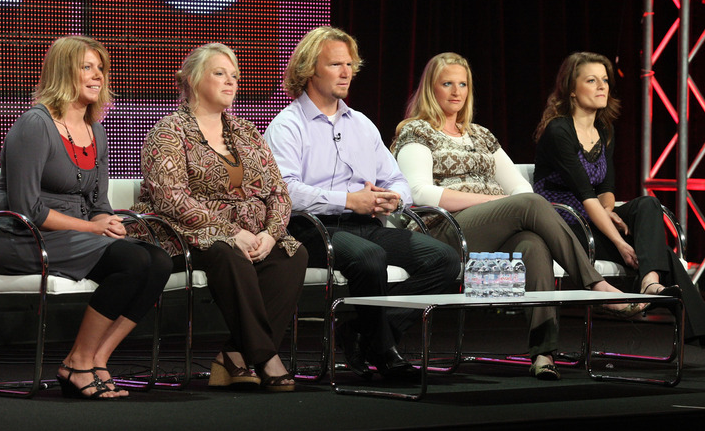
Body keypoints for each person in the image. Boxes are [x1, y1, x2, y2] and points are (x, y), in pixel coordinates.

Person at [390, 52, 644, 381]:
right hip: (442, 235)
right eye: (447, 84)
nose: (456, 91)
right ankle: (594, 284)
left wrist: (501, 203)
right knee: (531, 204)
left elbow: (519, 187)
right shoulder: (417, 133)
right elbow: (420, 194)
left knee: (533, 244)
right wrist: (489, 200)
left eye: (463, 84)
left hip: (488, 235)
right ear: (430, 89)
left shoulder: (481, 135)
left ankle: (543, 353)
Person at [533, 51, 705, 373]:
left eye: (605, 80)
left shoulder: (603, 130)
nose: (602, 87)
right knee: (665, 255)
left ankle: (651, 280)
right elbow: (585, 196)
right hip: (565, 221)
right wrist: (622, 242)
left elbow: (606, 189)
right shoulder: (559, 130)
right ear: (571, 89)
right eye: (591, 80)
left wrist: (610, 211)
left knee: (648, 203)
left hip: (595, 216)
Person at [264, 27, 460, 380]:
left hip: (368, 225)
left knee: (444, 258)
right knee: (370, 257)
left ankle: (362, 328)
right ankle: (385, 352)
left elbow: (398, 180)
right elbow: (285, 193)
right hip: (312, 229)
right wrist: (348, 200)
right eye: (335, 64)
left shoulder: (362, 124)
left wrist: (393, 198)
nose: (346, 73)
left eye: (349, 65)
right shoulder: (287, 126)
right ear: (309, 69)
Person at [0, 36, 172, 399]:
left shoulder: (96, 132)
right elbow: (28, 210)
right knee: (133, 261)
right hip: (23, 239)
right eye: (87, 67)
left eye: (100, 68)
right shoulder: (34, 125)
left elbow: (99, 203)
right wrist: (92, 226)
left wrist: (110, 223)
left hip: (75, 236)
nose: (97, 75)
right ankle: (77, 360)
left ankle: (96, 360)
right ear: (63, 72)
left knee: (158, 260)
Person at [133, 43, 308, 391]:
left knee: (293, 253)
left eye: (235, 76)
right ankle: (266, 357)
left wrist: (271, 234)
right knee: (229, 254)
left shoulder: (246, 131)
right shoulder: (168, 132)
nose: (231, 82)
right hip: (184, 231)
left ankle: (235, 355)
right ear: (195, 80)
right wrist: (229, 231)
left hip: (251, 231)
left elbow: (277, 191)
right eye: (220, 74)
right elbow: (171, 198)